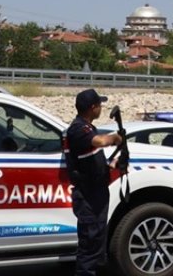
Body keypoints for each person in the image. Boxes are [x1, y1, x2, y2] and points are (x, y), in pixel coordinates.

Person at [66, 89, 124, 276]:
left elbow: (90, 161)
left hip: (96, 193)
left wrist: (113, 165)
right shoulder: (78, 128)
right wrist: (115, 138)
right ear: (93, 108)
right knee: (89, 245)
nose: (101, 108)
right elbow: (99, 142)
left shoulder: (88, 128)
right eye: (99, 104)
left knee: (96, 241)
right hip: (88, 195)